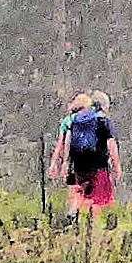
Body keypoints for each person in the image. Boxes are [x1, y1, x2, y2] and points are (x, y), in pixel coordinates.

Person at [60, 91, 121, 215]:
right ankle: (93, 228)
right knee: (98, 199)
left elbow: (68, 141)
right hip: (99, 165)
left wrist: (66, 162)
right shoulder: (103, 121)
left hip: (79, 164)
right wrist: (117, 166)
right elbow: (111, 145)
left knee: (81, 192)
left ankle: (75, 215)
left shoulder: (77, 120)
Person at [46, 91, 93, 221]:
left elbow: (60, 144)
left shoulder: (68, 121)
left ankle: (73, 215)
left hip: (73, 161)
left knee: (74, 190)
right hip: (90, 160)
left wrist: (54, 164)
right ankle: (86, 220)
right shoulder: (92, 119)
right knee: (88, 191)